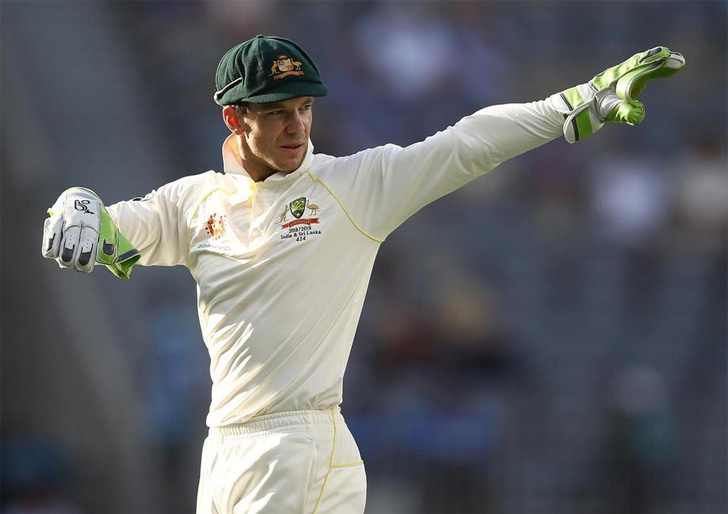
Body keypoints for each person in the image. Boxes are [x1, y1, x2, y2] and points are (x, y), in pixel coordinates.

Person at [41, 35, 684, 514]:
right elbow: (110, 227)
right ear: (235, 118)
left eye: (304, 108)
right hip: (228, 449)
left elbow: (463, 144)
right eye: (277, 112)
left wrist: (569, 106)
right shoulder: (192, 203)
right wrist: (73, 204)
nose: (297, 125)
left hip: (300, 444)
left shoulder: (353, 185)